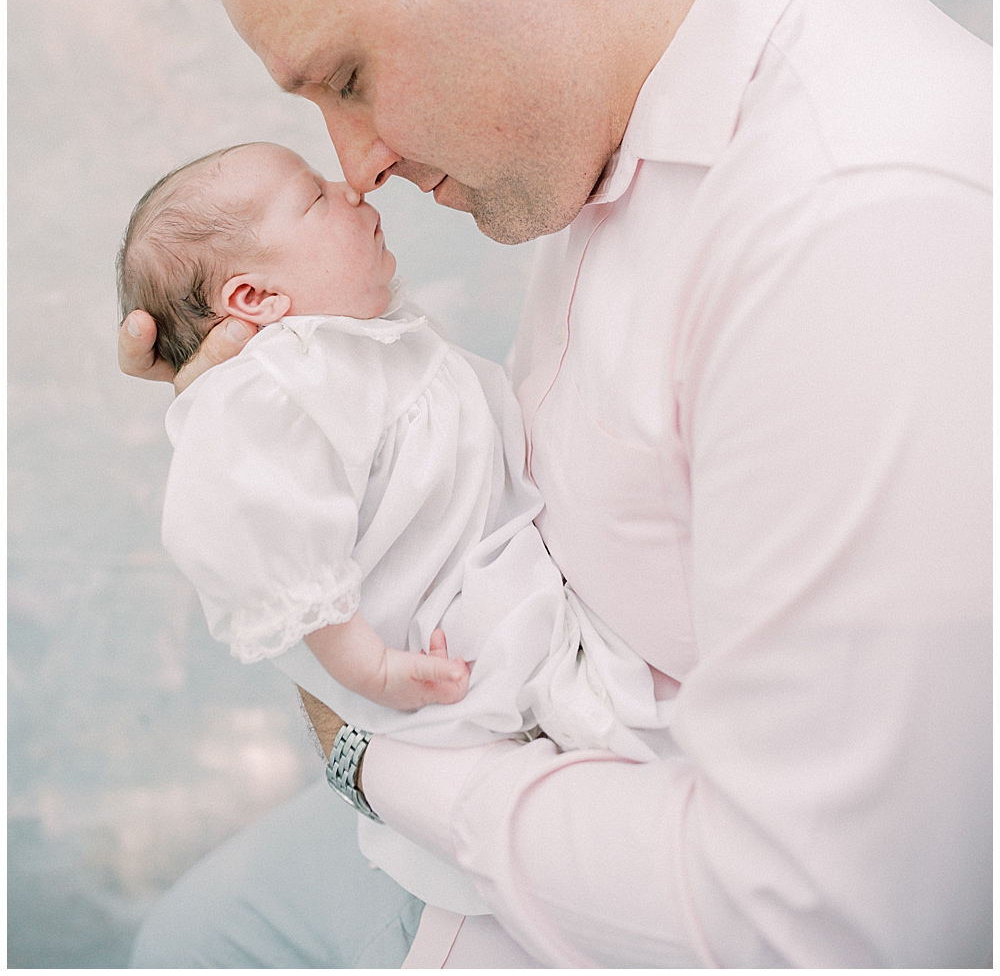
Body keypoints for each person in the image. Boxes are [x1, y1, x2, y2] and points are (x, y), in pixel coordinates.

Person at [121, 0, 990, 968]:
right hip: (502, 766)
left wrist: (377, 767)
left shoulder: (856, 223)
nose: (353, 168)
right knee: (195, 931)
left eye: (348, 79)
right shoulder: (617, 105)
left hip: (553, 862)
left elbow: (822, 924)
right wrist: (261, 390)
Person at [118, 139, 674, 914]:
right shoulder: (274, 384)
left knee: (588, 712)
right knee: (561, 713)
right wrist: (363, 665)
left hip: (496, 584)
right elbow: (240, 515)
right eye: (314, 198)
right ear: (257, 298)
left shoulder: (349, 338)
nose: (351, 188)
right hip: (438, 635)